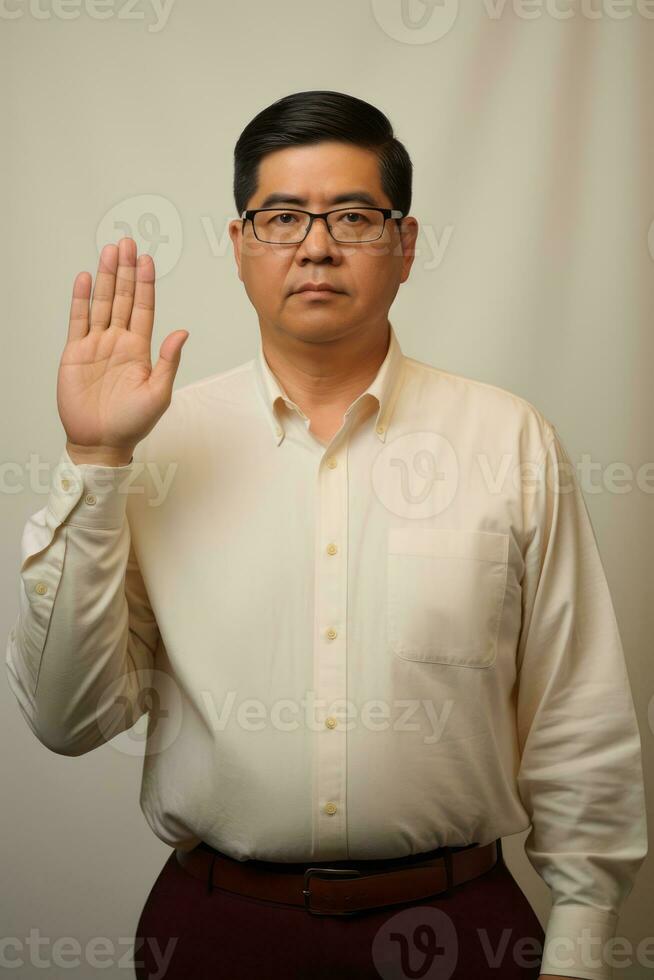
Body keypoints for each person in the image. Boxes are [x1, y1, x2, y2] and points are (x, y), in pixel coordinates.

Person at [5, 90, 647, 980]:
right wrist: (95, 455)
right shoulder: (155, 448)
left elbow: (578, 710)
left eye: (353, 215)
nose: (316, 244)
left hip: (461, 931)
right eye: (280, 217)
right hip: (219, 933)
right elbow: (70, 721)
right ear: (239, 246)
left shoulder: (507, 439)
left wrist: (582, 940)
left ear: (406, 243)